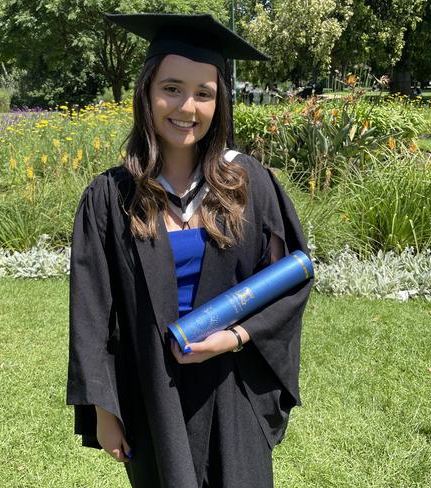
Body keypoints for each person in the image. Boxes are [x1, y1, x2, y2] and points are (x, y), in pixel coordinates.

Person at [66, 12, 314, 488]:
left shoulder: (250, 184)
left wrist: (237, 337)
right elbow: (93, 309)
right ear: (147, 92)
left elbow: (288, 280)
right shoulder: (110, 196)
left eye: (204, 93)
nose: (188, 107)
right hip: (152, 391)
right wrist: (104, 408)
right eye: (172, 88)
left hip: (232, 385)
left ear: (220, 103)